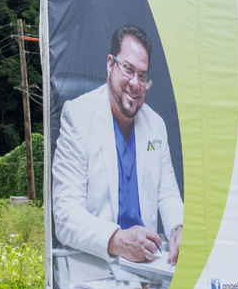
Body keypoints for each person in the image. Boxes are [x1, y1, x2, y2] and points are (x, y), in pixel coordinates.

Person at [52, 23, 183, 267]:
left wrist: (179, 228)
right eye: (128, 69)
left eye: (142, 76)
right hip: (96, 263)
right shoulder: (78, 116)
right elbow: (65, 215)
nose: (135, 83)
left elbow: (167, 194)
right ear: (111, 65)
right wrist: (118, 240)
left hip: (147, 268)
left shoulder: (156, 125)